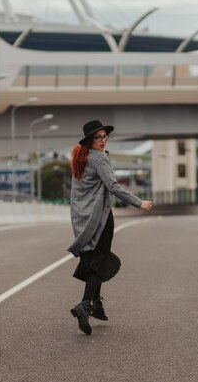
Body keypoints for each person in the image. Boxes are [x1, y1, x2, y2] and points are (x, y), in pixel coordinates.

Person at [67, 120, 153, 335]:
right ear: (90, 140)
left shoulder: (81, 156)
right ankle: (85, 304)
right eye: (98, 137)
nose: (103, 141)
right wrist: (138, 202)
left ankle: (96, 305)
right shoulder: (99, 158)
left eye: (105, 136)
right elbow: (112, 186)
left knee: (94, 258)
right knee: (101, 259)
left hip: (83, 217)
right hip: (100, 217)